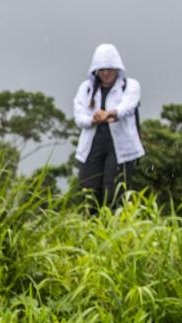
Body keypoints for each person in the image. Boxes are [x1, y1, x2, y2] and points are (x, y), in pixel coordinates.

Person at [73, 43, 143, 209]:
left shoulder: (130, 86)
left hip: (119, 149)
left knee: (115, 193)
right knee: (89, 193)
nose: (105, 73)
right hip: (93, 148)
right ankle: (91, 230)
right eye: (101, 69)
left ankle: (113, 229)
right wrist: (93, 119)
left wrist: (111, 113)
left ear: (117, 68)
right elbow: (79, 117)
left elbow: (127, 106)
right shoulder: (86, 89)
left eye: (109, 68)